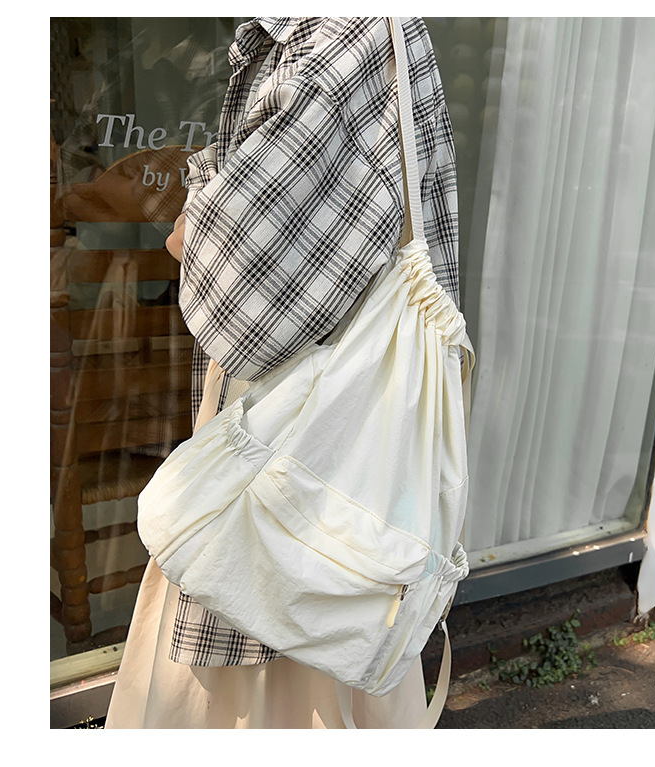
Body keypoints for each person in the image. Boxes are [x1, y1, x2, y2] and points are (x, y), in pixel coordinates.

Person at [105, 16, 460, 729]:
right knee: (343, 620)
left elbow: (238, 299)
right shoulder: (386, 28)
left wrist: (195, 208)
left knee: (261, 633)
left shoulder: (330, 37)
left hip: (285, 454)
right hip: (353, 463)